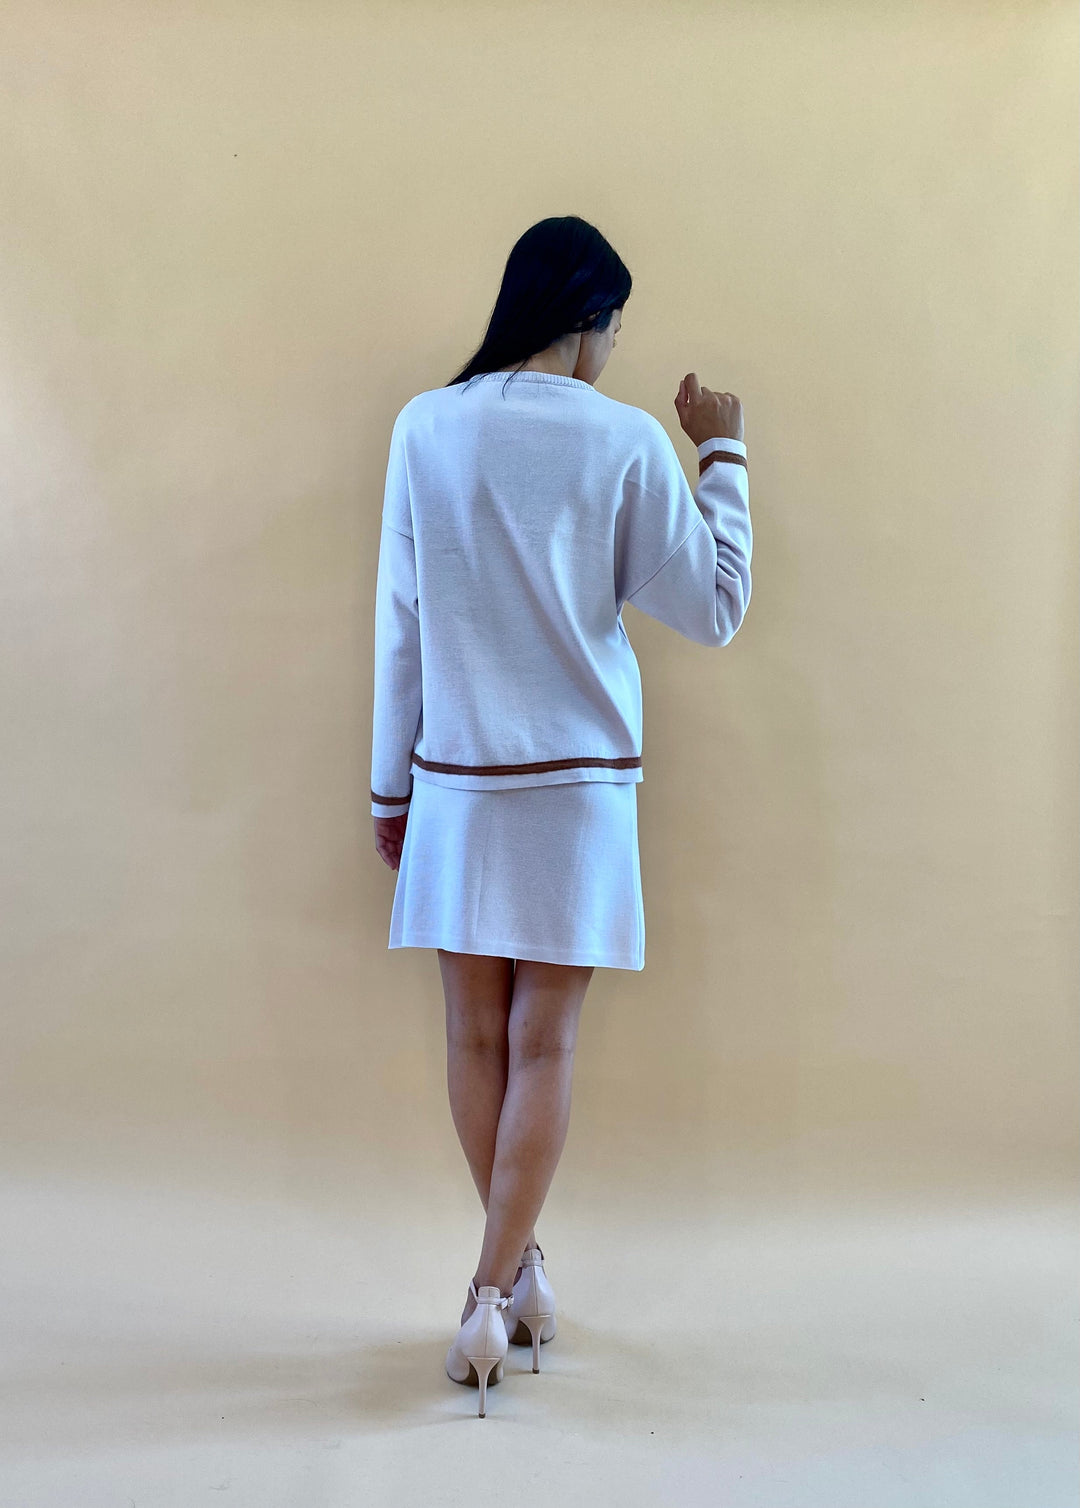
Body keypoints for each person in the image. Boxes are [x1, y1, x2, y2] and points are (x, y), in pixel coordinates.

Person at [368, 215, 752, 1415]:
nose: (611, 348)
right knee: (545, 1044)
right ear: (586, 318)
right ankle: (499, 1288)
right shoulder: (629, 441)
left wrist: (392, 787)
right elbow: (717, 607)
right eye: (613, 325)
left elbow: (403, 623)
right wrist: (726, 457)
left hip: (460, 777)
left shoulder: (426, 427)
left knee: (476, 1041)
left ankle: (506, 1282)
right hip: (580, 788)